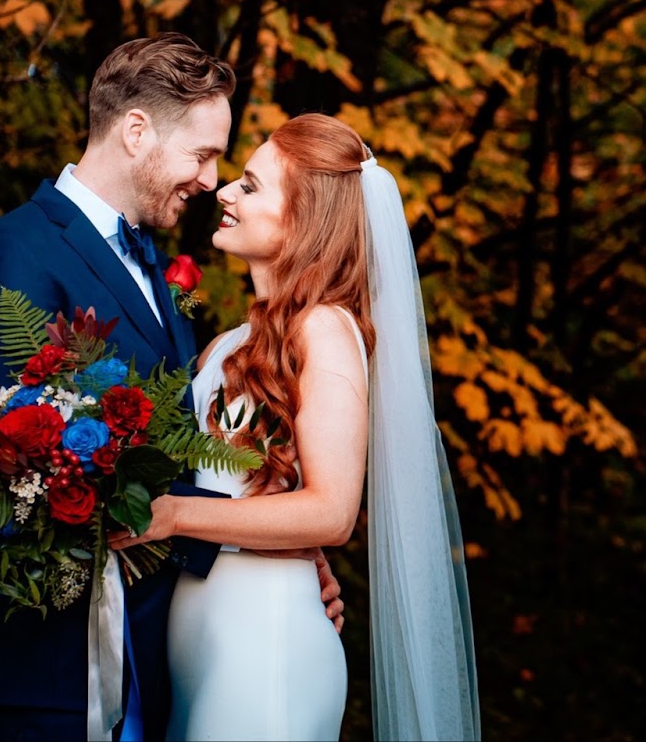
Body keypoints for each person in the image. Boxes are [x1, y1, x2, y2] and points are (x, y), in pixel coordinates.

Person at [0, 34, 343, 742]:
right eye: (203, 155)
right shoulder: (12, 252)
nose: (210, 180)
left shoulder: (158, 270)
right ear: (136, 130)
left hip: (162, 650)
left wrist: (282, 548)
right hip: (57, 660)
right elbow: (46, 468)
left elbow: (177, 451)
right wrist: (270, 539)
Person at [108, 113, 481, 740]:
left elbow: (331, 512)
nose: (224, 191)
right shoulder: (227, 345)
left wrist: (172, 516)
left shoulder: (325, 331)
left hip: (266, 645)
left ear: (305, 219)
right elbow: (249, 498)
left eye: (251, 186)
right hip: (199, 641)